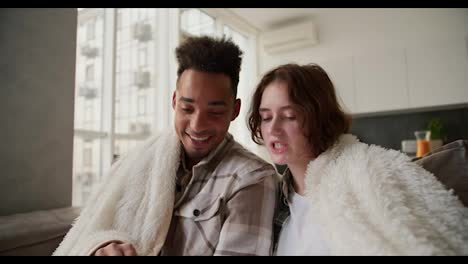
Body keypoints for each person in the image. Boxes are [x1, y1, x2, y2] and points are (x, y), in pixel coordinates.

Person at [53, 36, 277, 256]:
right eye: (187, 109)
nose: (197, 126)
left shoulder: (252, 179)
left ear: (235, 110)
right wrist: (103, 247)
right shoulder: (141, 160)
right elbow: (93, 229)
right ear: (174, 102)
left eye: (215, 112)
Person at [247, 63, 468, 255]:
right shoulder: (271, 200)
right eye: (266, 117)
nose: (273, 129)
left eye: (289, 116)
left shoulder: (364, 175)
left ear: (319, 118)